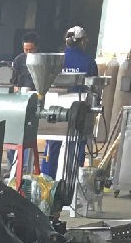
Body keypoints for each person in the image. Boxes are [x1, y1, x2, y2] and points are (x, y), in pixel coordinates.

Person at [42, 26, 99, 178]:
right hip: (79, 108)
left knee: (52, 145)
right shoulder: (88, 61)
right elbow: (94, 86)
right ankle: (72, 181)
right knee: (76, 146)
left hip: (54, 106)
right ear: (82, 41)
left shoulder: (57, 59)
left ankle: (47, 182)